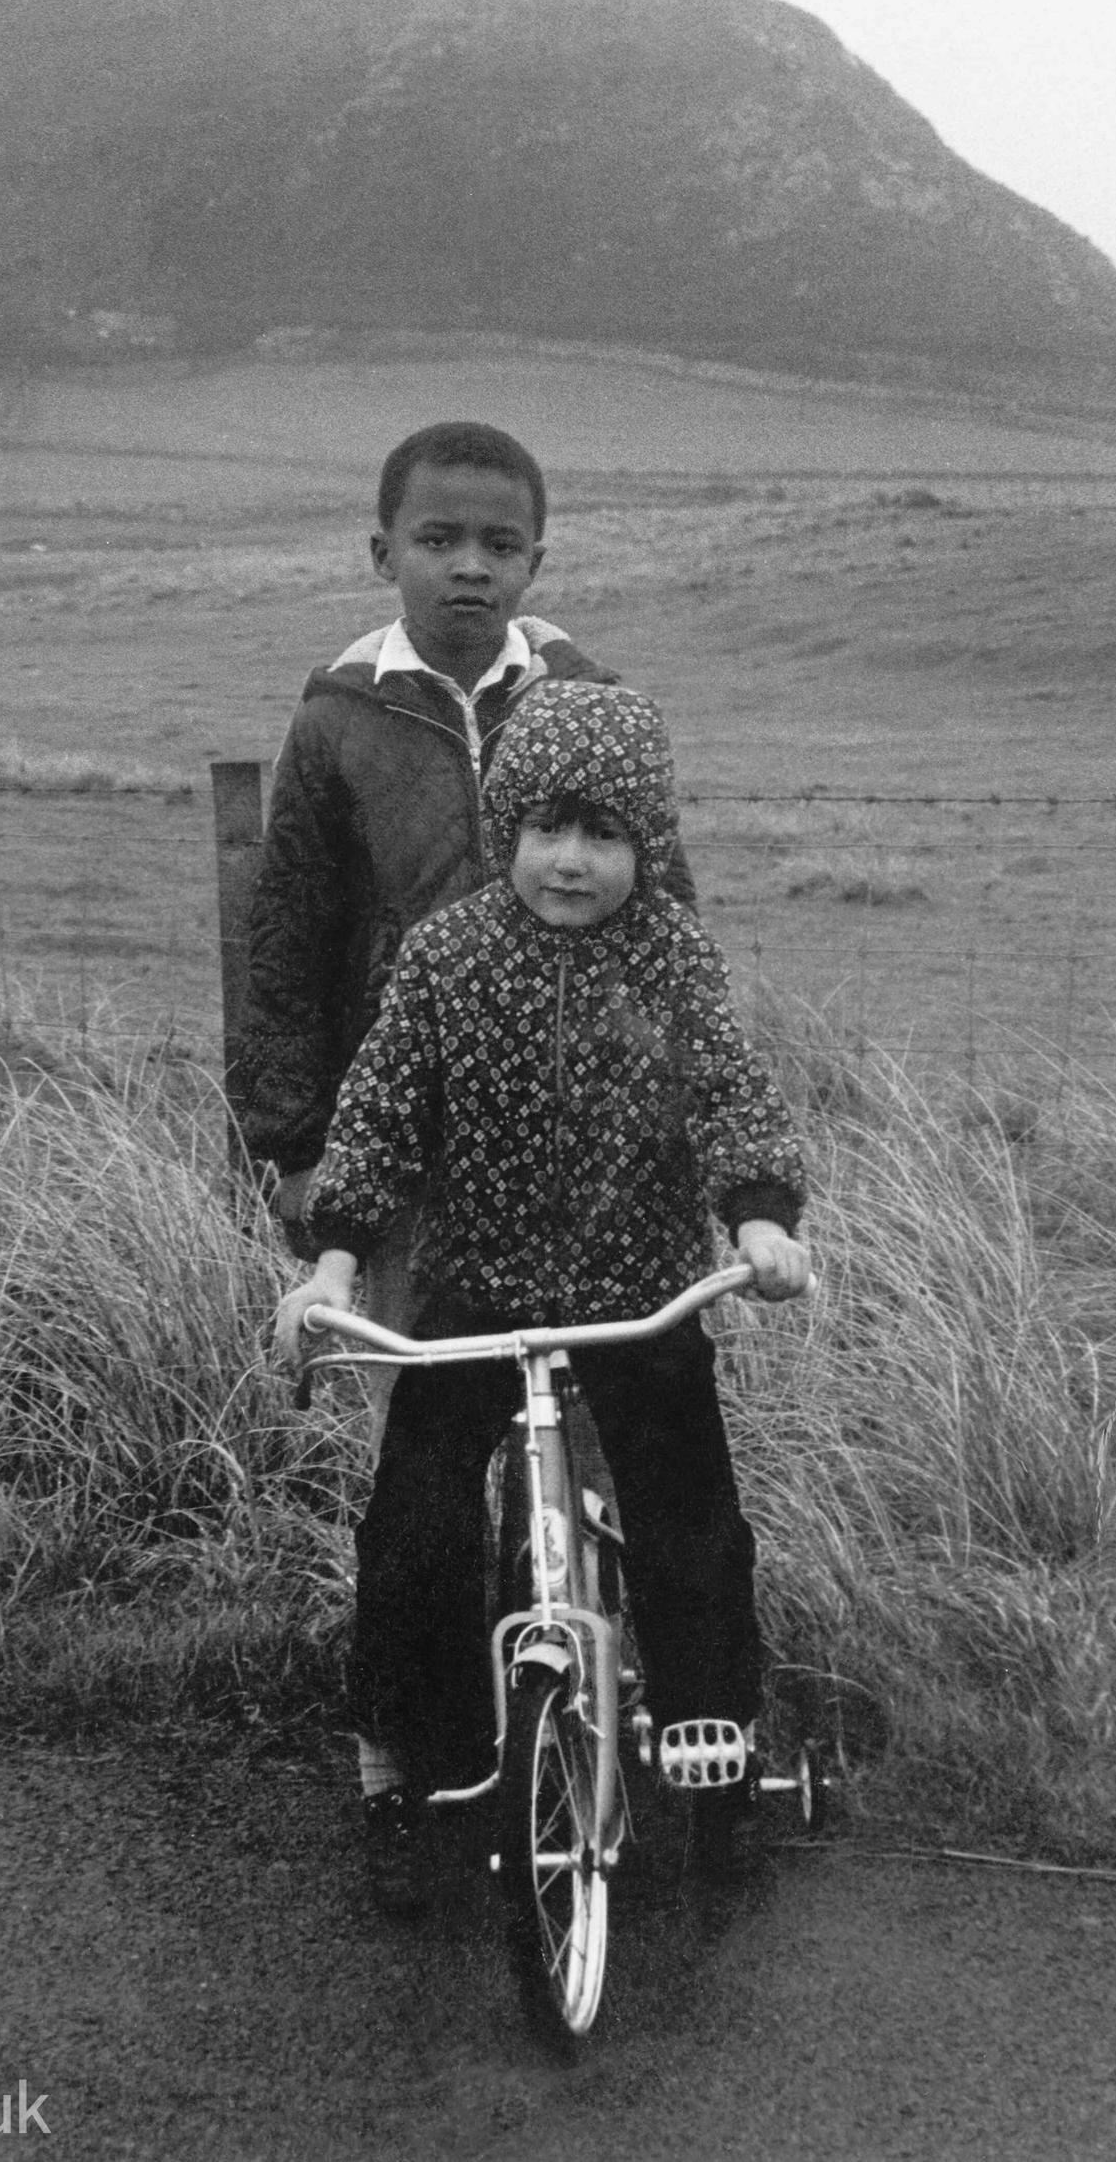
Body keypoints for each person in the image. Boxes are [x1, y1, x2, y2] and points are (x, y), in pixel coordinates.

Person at [272, 681, 810, 1914]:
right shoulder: (449, 955)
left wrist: (761, 1219)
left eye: (606, 835)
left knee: (688, 1516)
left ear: (646, 846)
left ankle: (712, 1738)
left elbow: (729, 1093)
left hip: (639, 1294)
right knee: (411, 1519)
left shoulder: (671, 956)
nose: (571, 861)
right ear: (506, 827)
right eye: (545, 830)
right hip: (480, 1297)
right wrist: (337, 1262)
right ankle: (419, 1745)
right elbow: (382, 1111)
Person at [233, 421, 692, 1358]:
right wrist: (299, 1146)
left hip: (585, 1138)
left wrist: (671, 1111)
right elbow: (288, 942)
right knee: (421, 1423)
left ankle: (583, 1513)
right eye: (438, 541)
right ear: (383, 553)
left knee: (597, 1429)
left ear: (537, 561)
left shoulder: (591, 704)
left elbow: (666, 919)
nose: (470, 567)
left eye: (501, 544)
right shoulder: (337, 721)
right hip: (400, 1143)